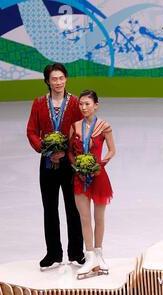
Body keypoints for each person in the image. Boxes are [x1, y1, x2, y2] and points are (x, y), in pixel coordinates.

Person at [27, 63, 85, 270]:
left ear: (66, 79)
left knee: (74, 208)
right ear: (47, 81)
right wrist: (45, 148)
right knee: (50, 209)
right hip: (47, 164)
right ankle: (53, 253)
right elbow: (31, 131)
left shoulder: (77, 103)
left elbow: (81, 132)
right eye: (54, 79)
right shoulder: (39, 103)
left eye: (61, 78)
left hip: (70, 164)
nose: (58, 82)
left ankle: (77, 252)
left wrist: (66, 150)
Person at [68, 90, 115, 279]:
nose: (84, 107)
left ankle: (99, 254)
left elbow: (112, 150)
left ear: (96, 105)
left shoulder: (104, 126)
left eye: (87, 104)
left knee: (99, 217)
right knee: (85, 218)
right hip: (80, 177)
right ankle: (89, 257)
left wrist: (100, 164)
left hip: (98, 176)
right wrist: (76, 166)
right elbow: (70, 151)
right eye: (81, 104)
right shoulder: (74, 126)